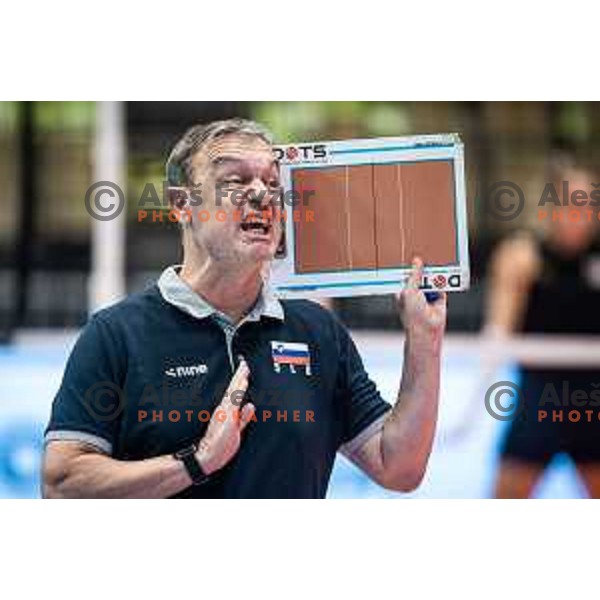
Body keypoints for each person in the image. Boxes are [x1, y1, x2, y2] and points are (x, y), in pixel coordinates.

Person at [42, 118, 447, 499]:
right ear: (182, 205)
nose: (261, 194)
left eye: (272, 182)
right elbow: (61, 485)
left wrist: (425, 342)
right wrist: (196, 463)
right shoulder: (117, 334)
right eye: (235, 180)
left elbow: (399, 468)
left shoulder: (318, 332)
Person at [485, 165, 600, 498]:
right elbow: (498, 328)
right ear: (550, 210)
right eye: (571, 204)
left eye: (588, 204)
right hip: (538, 399)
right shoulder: (523, 256)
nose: (580, 214)